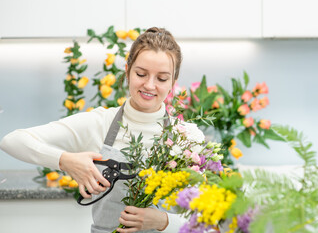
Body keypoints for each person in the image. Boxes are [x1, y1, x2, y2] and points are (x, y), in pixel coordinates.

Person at [0, 27, 198, 233]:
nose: (149, 85)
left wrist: (164, 222)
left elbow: (209, 221)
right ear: (128, 72)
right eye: (141, 74)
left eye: (162, 79)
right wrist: (65, 160)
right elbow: (12, 141)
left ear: (173, 83)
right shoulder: (99, 122)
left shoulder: (187, 137)